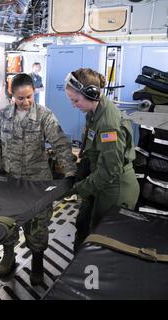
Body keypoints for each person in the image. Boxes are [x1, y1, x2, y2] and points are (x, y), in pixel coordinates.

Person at [0, 73, 76, 285]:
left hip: (37, 183)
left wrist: (71, 171)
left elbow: (60, 143)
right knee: (7, 223)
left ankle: (37, 262)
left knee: (38, 226)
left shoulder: (44, 115)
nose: (25, 102)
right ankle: (9, 255)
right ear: (12, 96)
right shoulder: (2, 115)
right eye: (20, 98)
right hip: (9, 183)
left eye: (29, 97)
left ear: (33, 93)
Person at [65, 68, 139, 252]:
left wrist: (79, 188)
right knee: (83, 224)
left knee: (102, 239)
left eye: (75, 100)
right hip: (99, 178)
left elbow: (110, 169)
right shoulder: (94, 111)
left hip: (115, 187)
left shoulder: (108, 124)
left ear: (91, 94)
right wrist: (80, 172)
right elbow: (92, 149)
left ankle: (89, 274)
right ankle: (77, 269)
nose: (74, 105)